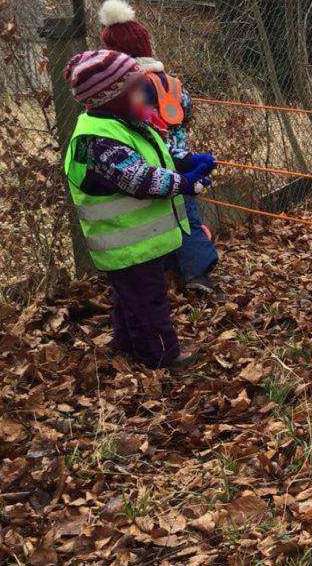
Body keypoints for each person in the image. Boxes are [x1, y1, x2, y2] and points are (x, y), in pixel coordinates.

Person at [62, 49, 216, 370]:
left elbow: (154, 154)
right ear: (109, 96)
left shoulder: (125, 122)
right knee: (149, 301)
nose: (142, 93)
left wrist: (185, 160)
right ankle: (162, 355)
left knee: (129, 299)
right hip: (125, 244)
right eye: (134, 87)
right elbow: (139, 177)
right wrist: (185, 183)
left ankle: (128, 345)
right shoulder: (95, 141)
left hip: (138, 243)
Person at [98, 0, 219, 295]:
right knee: (186, 216)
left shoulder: (128, 89)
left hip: (147, 163)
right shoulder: (172, 83)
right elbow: (187, 112)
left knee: (158, 221)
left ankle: (181, 274)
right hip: (181, 161)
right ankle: (196, 272)